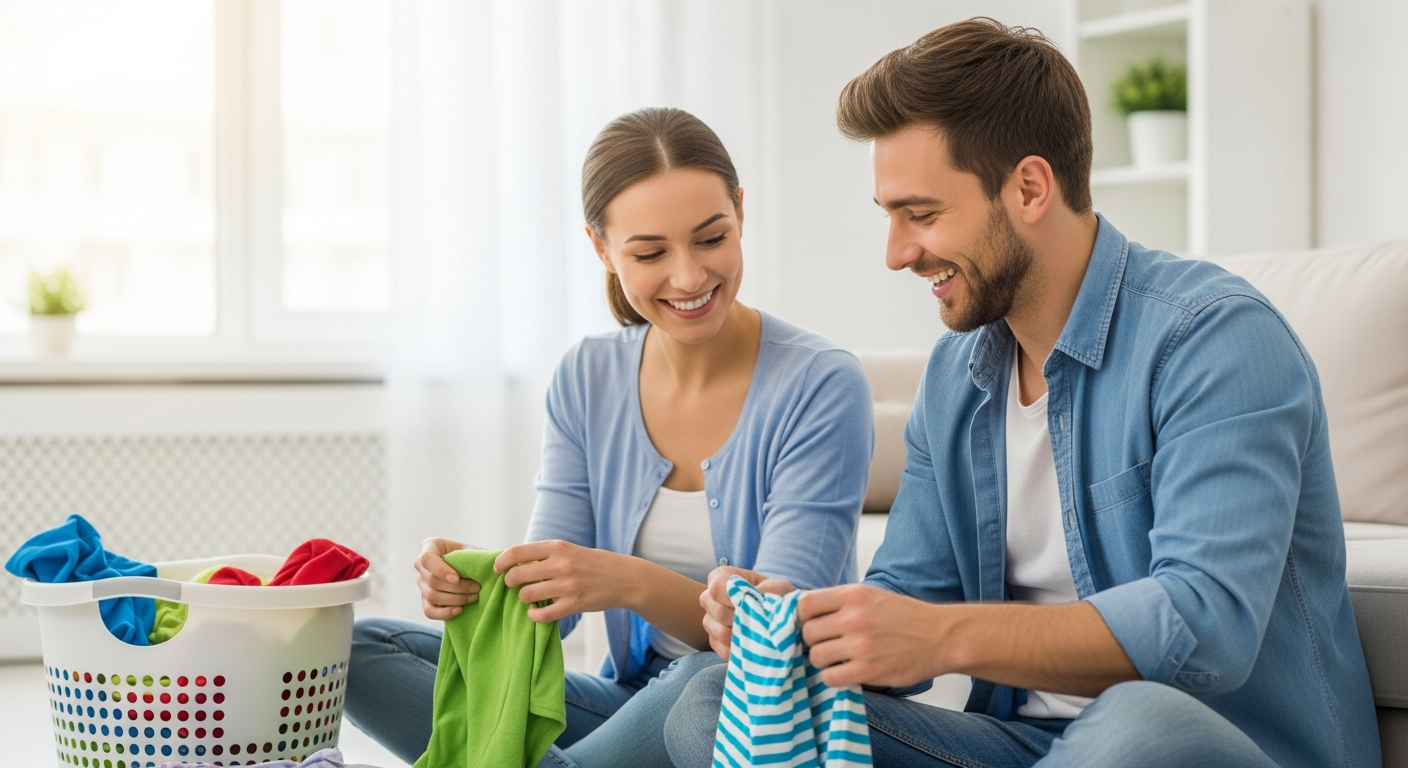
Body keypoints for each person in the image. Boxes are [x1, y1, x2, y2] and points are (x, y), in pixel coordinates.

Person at [664, 19, 1379, 768]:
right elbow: (910, 605)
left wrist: (943, 636)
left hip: (1214, 744)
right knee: (713, 699)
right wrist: (815, 624)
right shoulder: (957, 375)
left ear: (1030, 188)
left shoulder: (1214, 340)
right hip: (1028, 748)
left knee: (1135, 723)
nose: (897, 253)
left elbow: (1205, 626)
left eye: (923, 213)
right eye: (890, 216)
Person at [344, 107, 874, 768]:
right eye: (650, 253)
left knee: (700, 685)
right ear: (601, 247)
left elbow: (777, 638)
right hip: (629, 703)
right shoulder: (588, 376)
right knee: (361, 650)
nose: (688, 277)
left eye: (711, 238)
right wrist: (483, 578)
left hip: (743, 708)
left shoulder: (820, 383)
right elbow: (556, 610)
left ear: (740, 211)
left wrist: (627, 581)